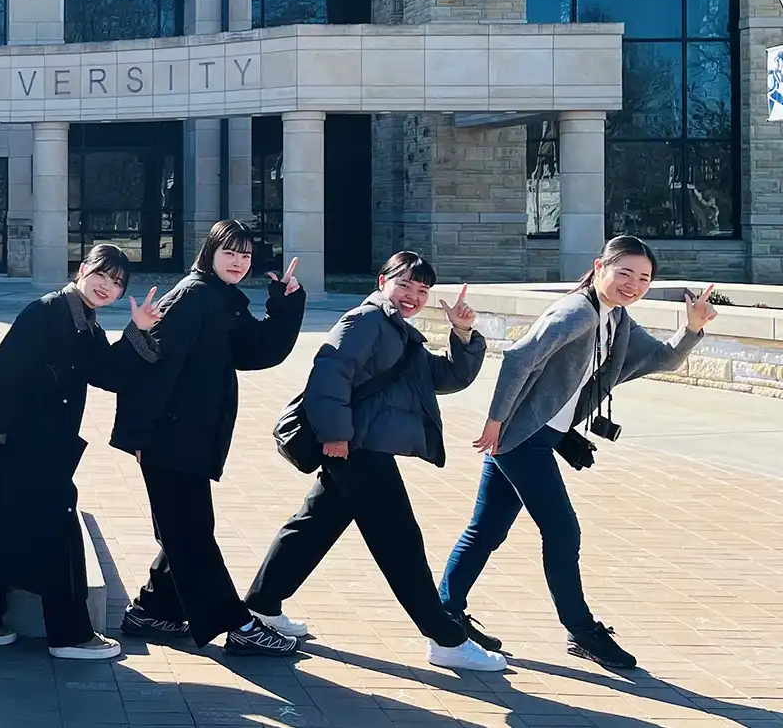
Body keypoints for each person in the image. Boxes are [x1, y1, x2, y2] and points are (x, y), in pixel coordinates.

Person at [438, 236, 716, 670]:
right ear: (599, 267)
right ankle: (581, 629)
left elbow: (662, 359)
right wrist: (495, 421)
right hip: (520, 438)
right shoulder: (575, 313)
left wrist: (693, 326)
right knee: (563, 532)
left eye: (644, 277)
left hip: (538, 436)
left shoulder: (616, 319)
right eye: (624, 272)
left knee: (487, 529)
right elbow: (519, 358)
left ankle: (446, 612)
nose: (633, 284)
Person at [242, 252, 506, 671]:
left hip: (363, 449)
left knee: (311, 528)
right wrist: (335, 434)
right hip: (356, 449)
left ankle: (261, 605)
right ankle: (446, 639)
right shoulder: (365, 321)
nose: (413, 297)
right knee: (400, 543)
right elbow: (329, 373)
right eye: (405, 285)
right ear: (383, 280)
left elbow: (446, 377)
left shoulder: (398, 330)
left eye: (422, 291)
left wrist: (462, 332)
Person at [0, 244, 161, 660]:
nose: (107, 286)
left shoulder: (86, 323)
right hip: (18, 445)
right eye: (101, 275)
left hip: (37, 448)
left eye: (117, 283)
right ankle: (69, 636)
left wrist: (137, 330)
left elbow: (108, 373)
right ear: (82, 270)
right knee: (57, 534)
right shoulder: (46, 313)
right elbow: (1, 372)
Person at [109, 219, 307, 656]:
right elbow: (152, 367)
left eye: (245, 255)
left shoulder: (222, 298)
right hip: (167, 436)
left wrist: (286, 304)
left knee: (186, 530)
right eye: (229, 252)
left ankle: (150, 610)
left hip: (194, 435)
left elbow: (256, 351)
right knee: (192, 533)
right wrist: (140, 435)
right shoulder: (194, 296)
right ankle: (236, 625)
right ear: (210, 252)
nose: (238, 262)